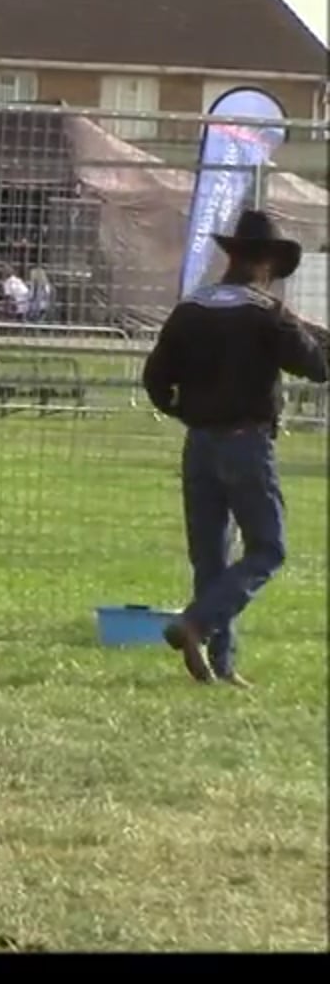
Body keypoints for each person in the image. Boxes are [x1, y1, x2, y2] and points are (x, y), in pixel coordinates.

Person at [142, 208, 328, 688]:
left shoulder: (191, 308)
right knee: (268, 547)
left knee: (210, 557)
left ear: (233, 257)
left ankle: (218, 666)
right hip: (246, 443)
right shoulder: (267, 315)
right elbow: (315, 365)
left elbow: (156, 380)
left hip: (199, 444)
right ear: (266, 263)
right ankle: (197, 624)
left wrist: (186, 412)